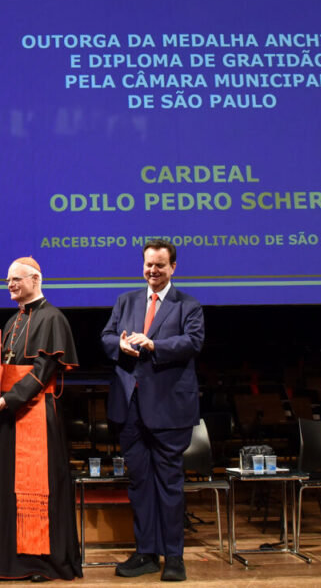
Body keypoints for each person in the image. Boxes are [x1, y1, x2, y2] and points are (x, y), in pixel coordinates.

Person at [101, 239, 205, 582]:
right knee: (140, 483)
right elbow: (106, 337)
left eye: (160, 265)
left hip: (169, 410)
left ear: (173, 267)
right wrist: (121, 343)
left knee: (170, 485)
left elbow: (193, 341)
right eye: (148, 264)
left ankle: (174, 557)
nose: (153, 271)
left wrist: (154, 344)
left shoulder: (186, 304)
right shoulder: (126, 300)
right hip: (130, 408)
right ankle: (146, 552)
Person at [0, 257, 82, 581]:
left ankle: (41, 562)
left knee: (39, 489)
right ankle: (12, 559)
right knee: (9, 488)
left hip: (35, 413)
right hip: (11, 415)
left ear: (35, 279)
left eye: (16, 279)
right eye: (8, 280)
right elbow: (6, 364)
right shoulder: (13, 321)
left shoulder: (52, 318)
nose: (10, 285)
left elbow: (43, 371)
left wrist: (8, 400)